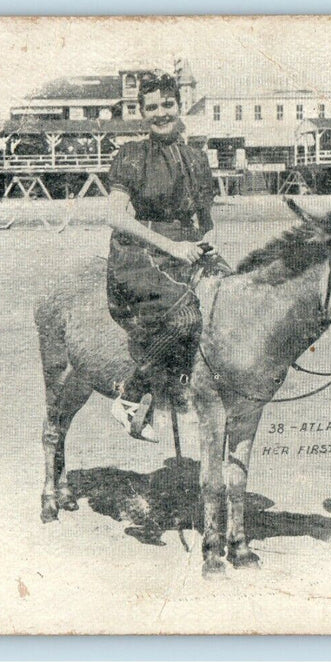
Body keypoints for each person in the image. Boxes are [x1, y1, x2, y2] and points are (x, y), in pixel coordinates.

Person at [104, 72, 228, 438]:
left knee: (234, 299)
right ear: (142, 113)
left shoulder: (196, 158)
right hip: (139, 253)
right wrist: (173, 246)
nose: (161, 113)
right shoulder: (130, 156)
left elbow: (207, 221)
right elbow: (114, 216)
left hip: (186, 249)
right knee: (185, 318)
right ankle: (130, 395)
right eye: (152, 107)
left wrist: (209, 242)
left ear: (179, 105)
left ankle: (204, 389)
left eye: (167, 105)